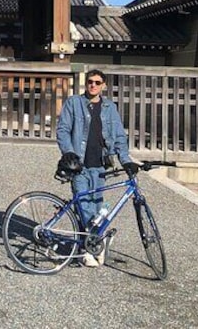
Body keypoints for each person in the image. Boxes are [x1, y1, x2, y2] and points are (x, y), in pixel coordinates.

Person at [56, 69, 139, 268]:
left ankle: (91, 244)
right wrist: (68, 151)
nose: (93, 85)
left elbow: (119, 135)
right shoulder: (74, 103)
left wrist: (125, 160)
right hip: (79, 165)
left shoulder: (109, 107)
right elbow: (63, 129)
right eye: (90, 82)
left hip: (101, 165)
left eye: (97, 82)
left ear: (103, 85)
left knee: (97, 206)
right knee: (84, 204)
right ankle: (90, 248)